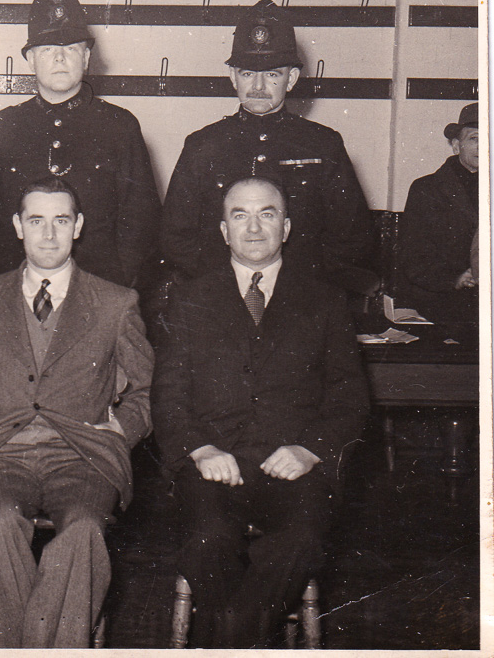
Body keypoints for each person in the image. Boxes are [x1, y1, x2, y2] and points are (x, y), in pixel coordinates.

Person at [153, 176, 369, 648]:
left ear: (286, 227)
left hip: (294, 467)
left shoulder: (325, 299)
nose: (254, 227)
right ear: (224, 230)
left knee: (301, 543)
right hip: (213, 465)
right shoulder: (189, 298)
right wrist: (201, 448)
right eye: (240, 215)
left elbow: (349, 396)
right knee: (208, 541)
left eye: (266, 214)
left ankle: (226, 641)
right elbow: (167, 394)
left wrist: (311, 450)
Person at [0, 176, 153, 648]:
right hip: (0, 452)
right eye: (36, 221)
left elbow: (142, 391)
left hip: (83, 454)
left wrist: (120, 430)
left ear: (78, 226)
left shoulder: (116, 303)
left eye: (61, 221)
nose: (48, 234)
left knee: (83, 531)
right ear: (18, 226)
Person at [160, 0, 373, 295]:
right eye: (248, 74)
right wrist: (222, 283)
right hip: (219, 295)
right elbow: (175, 236)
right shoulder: (202, 145)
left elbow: (353, 237)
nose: (258, 87)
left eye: (272, 74)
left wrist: (303, 284)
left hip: (300, 298)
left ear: (292, 79)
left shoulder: (323, 144)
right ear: (232, 77)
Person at [0, 0, 161, 293]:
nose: (59, 59)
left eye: (70, 49)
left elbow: (140, 223)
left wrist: (114, 290)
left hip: (99, 290)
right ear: (30, 60)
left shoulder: (120, 127)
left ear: (86, 58)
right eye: (47, 50)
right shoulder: (0, 128)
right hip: (16, 291)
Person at [398, 102, 480, 327]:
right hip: (444, 300)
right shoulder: (427, 189)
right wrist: (455, 280)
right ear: (456, 146)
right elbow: (413, 257)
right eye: (474, 139)